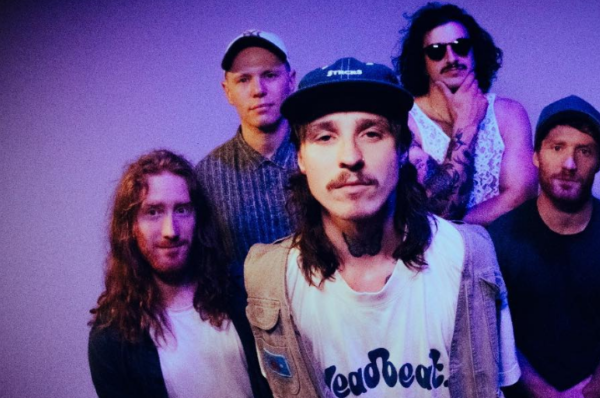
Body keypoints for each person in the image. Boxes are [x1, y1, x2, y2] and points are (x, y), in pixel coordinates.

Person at [243, 57, 520, 397]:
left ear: (402, 149)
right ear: (300, 157)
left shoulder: (468, 257)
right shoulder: (271, 280)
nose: (350, 157)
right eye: (325, 137)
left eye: (372, 133)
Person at [488, 96, 600, 398]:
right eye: (557, 148)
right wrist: (545, 394)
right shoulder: (499, 239)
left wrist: (586, 394)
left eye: (584, 151)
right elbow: (492, 333)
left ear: (599, 162)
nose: (569, 164)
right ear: (536, 156)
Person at [88, 149, 271, 397]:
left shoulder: (243, 291)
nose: (170, 231)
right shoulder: (110, 337)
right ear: (130, 226)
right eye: (153, 212)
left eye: (182, 210)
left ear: (198, 218)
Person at [394, 2, 537, 225]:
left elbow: (521, 197)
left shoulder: (510, 114)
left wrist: (458, 231)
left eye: (461, 46)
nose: (451, 58)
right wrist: (466, 125)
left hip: (502, 245)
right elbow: (438, 207)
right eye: (436, 51)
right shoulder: (405, 121)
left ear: (475, 52)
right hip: (432, 249)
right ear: (422, 63)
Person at [196, 29, 297, 284]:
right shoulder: (207, 175)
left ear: (291, 80)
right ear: (227, 91)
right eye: (243, 80)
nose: (258, 90)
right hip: (244, 309)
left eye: (270, 75)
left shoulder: (321, 155)